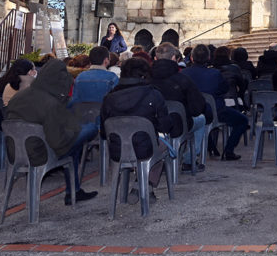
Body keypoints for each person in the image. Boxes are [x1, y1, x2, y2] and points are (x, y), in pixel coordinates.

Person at [4, 58, 98, 204]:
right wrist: (73, 134)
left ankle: (74, 191)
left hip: (14, 154)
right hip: (41, 154)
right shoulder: (50, 103)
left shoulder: (18, 97)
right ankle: (73, 191)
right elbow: (58, 142)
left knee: (75, 140)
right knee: (88, 130)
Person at [99, 57, 178, 189]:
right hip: (146, 149)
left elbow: (103, 131)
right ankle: (146, 184)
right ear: (145, 74)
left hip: (118, 150)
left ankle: (140, 184)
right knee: (163, 144)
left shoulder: (109, 98)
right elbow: (165, 126)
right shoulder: (153, 94)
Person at [183, 44, 248, 161]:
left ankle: (211, 147)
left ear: (192, 58)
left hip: (192, 112)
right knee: (243, 121)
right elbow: (224, 89)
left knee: (204, 119)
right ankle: (228, 151)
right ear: (208, 58)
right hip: (216, 111)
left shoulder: (184, 74)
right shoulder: (215, 74)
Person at [149, 42, 207, 173]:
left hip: (153, 125)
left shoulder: (146, 79)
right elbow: (197, 107)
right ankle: (189, 160)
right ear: (174, 58)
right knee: (201, 119)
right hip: (179, 125)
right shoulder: (183, 79)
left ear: (155, 59)